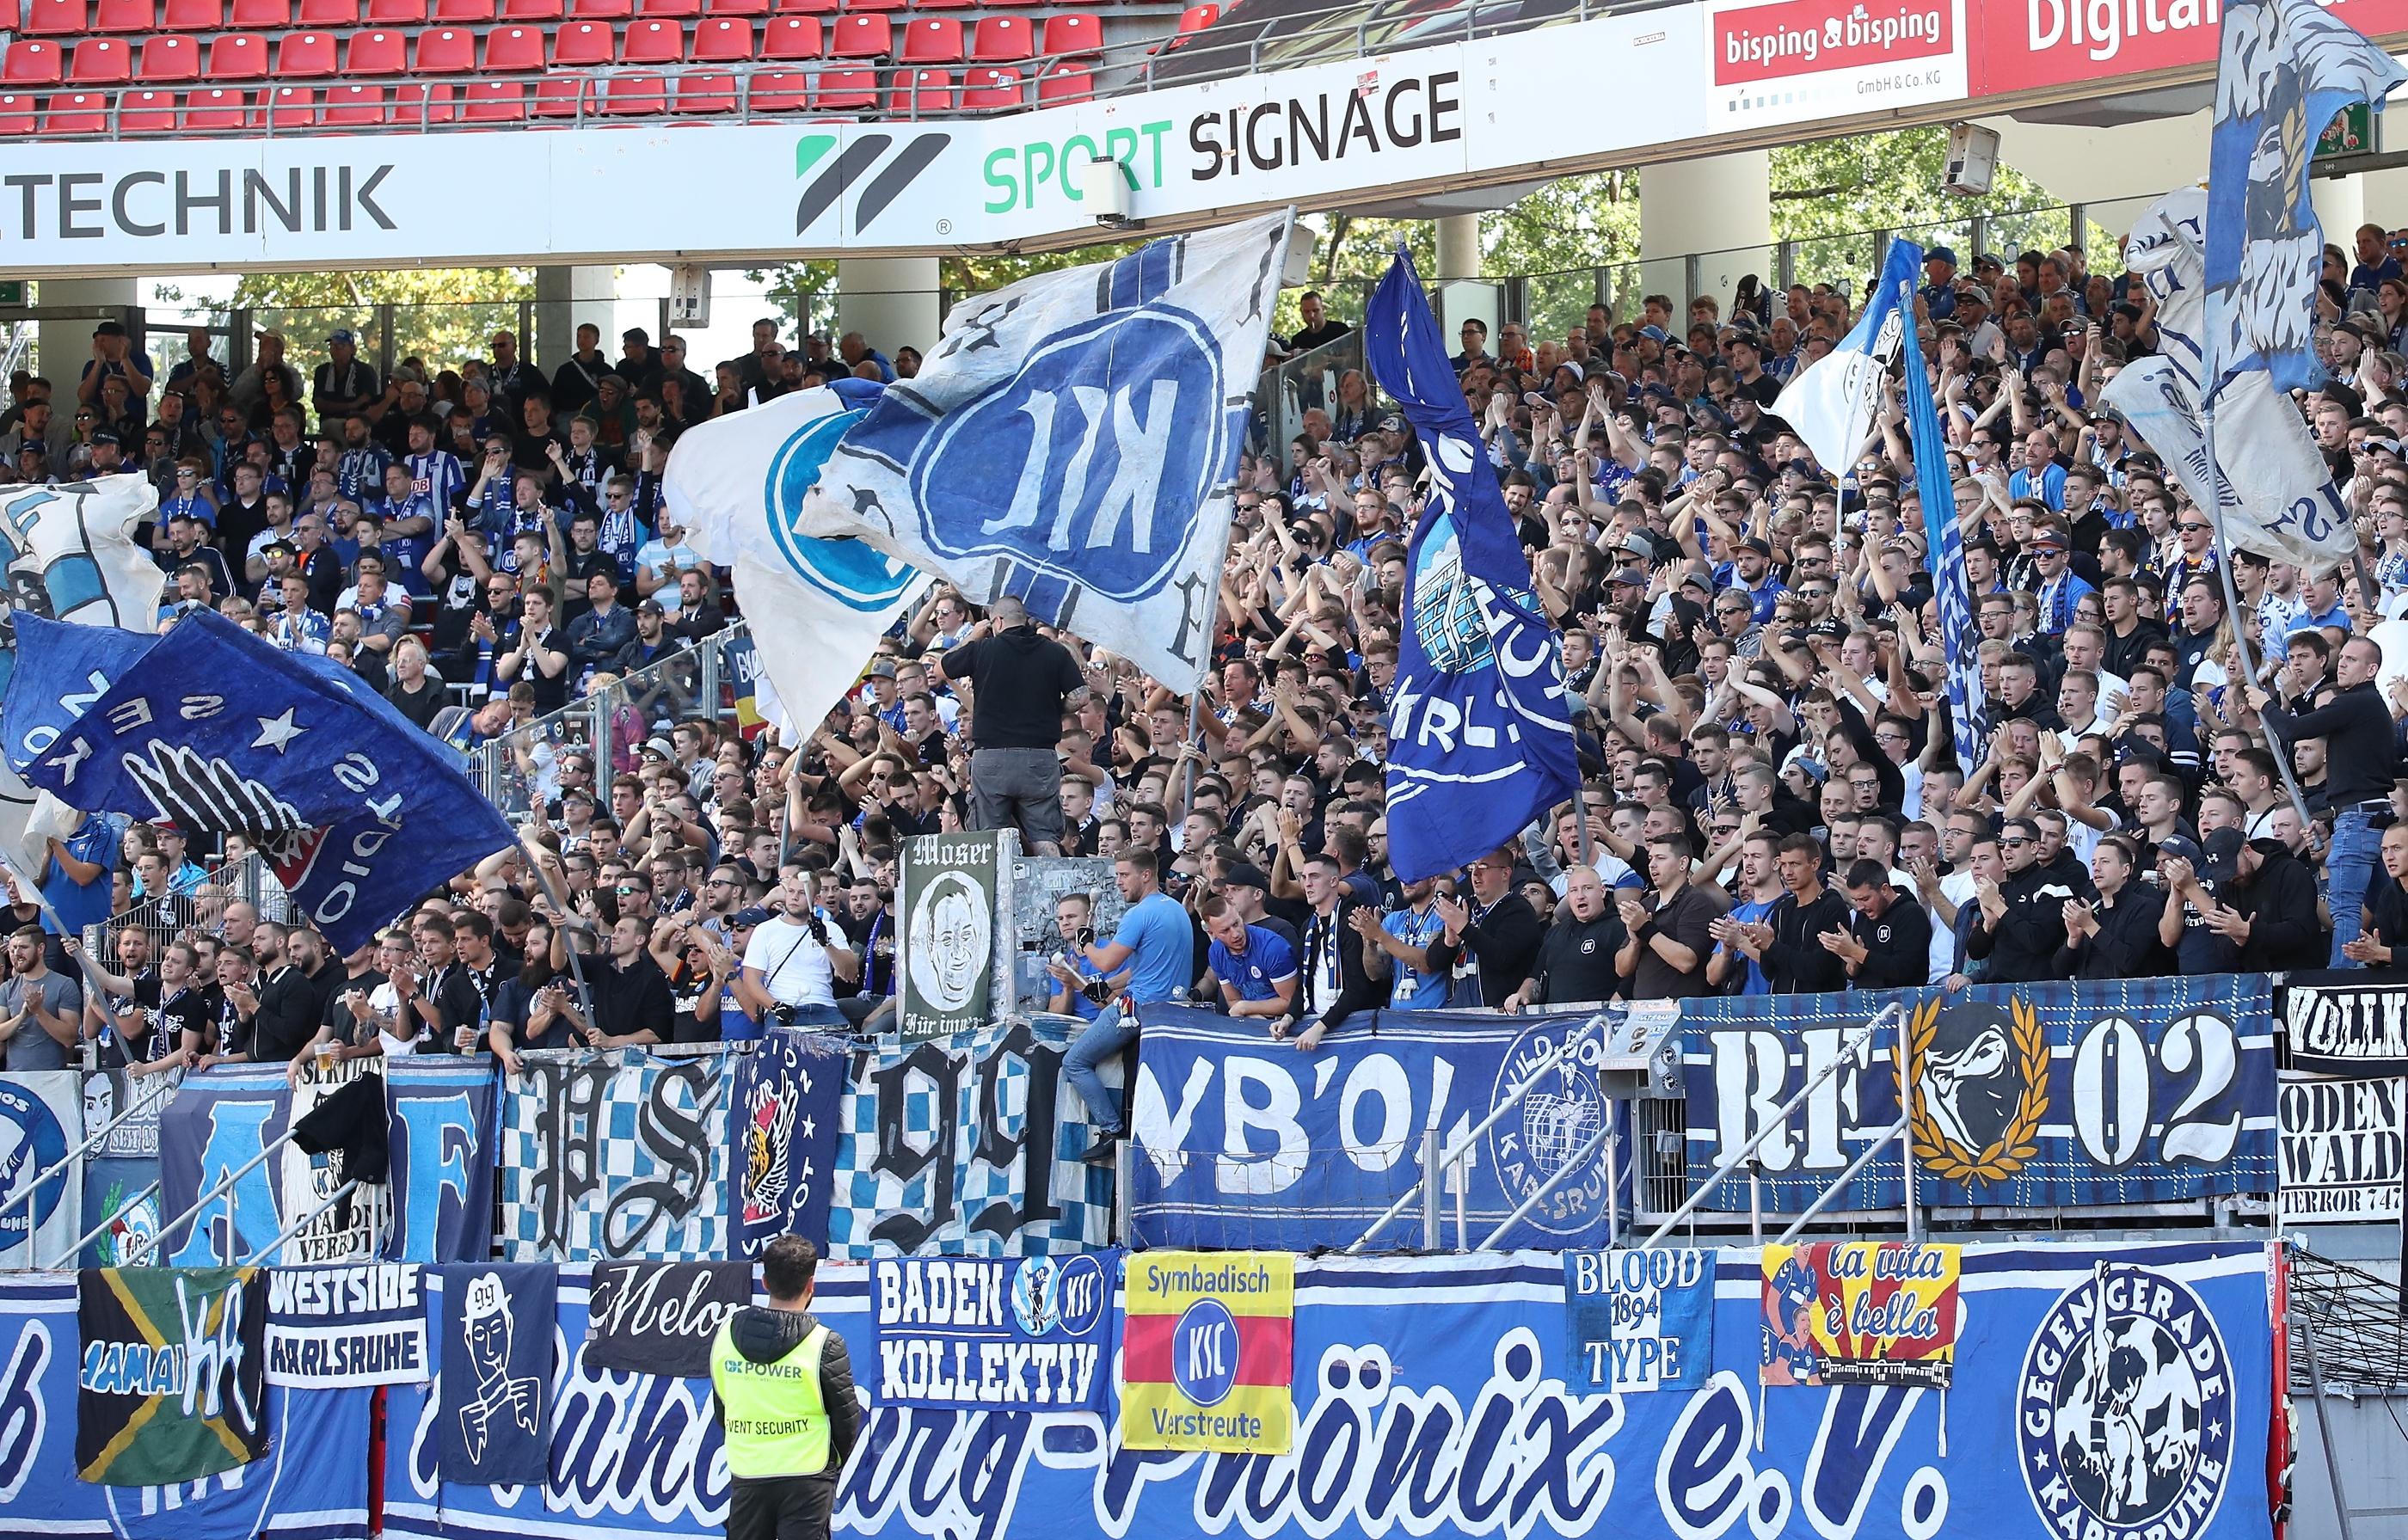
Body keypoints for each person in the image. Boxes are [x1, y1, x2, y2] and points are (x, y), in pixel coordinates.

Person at [710, 1236, 862, 1540]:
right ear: (811, 1285)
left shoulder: (725, 1335)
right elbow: (847, 1420)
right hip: (807, 1475)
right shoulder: (825, 1344)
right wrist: (829, 1467)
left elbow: (722, 1408)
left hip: (749, 1470)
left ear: (764, 1282)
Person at [1063, 848, 1192, 1166]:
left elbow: (1105, 961)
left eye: (1123, 875)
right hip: (1171, 1007)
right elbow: (1145, 966)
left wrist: (1086, 944)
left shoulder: (1138, 914)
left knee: (1074, 1061)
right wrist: (1109, 986)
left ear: (1145, 874)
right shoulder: (1174, 909)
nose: (1118, 882)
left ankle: (1112, 1130)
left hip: (1138, 1009)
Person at [937, 594, 1085, 856]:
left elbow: (943, 667)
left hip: (992, 758)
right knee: (1044, 834)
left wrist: (974, 635)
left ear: (999, 621)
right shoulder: (1054, 651)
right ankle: (1051, 894)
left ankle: (998, 895)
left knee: (991, 838)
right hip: (1039, 758)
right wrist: (1052, 709)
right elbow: (1081, 696)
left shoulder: (983, 649)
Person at [742, 868, 861, 1029]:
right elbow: (751, 980)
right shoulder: (765, 930)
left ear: (816, 899)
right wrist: (775, 1006)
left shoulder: (831, 929)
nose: (794, 897)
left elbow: (850, 973)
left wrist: (826, 943)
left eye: (802, 893)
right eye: (791, 891)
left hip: (824, 1008)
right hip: (784, 1008)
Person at [1502, 865, 1627, 1011]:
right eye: (1574, 890)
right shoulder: (1555, 932)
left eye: (1587, 888)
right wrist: (1522, 995)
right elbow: (1536, 977)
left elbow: (1630, 979)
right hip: (1555, 1026)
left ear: (1602, 891)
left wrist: (1610, 1012)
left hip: (1600, 1025)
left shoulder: (1619, 927)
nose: (1580, 895)